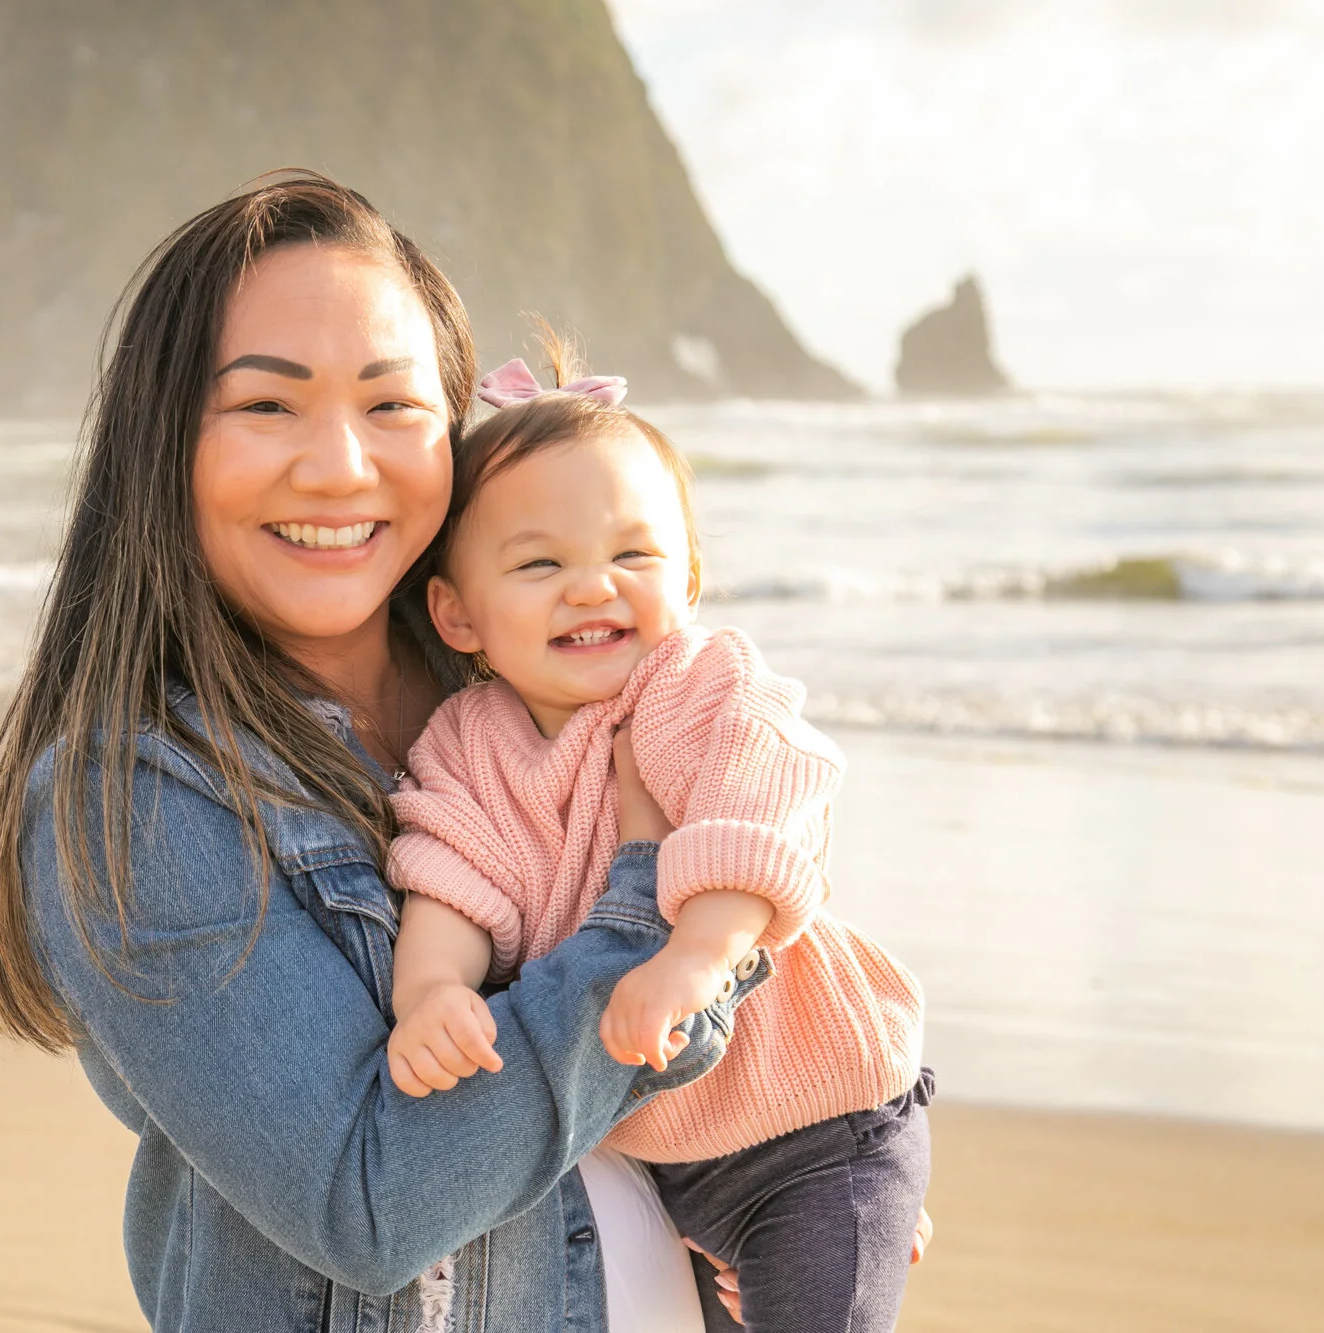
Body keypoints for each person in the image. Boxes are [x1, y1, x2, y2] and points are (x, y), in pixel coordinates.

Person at [0, 171, 762, 1332]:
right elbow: (368, 1204)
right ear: (163, 447)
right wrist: (642, 913)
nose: (340, 466)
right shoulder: (138, 797)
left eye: (391, 406)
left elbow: (754, 932)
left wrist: (813, 1172)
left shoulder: (529, 685)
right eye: (266, 406)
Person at [383, 340, 933, 1331]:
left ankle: (873, 1194)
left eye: (631, 555)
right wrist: (431, 991)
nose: (592, 587)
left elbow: (757, 806)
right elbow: (448, 878)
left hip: (813, 1125)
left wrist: (697, 950)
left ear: (685, 578)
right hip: (668, 1163)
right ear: (456, 612)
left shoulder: (686, 684)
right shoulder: (467, 745)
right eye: (540, 562)